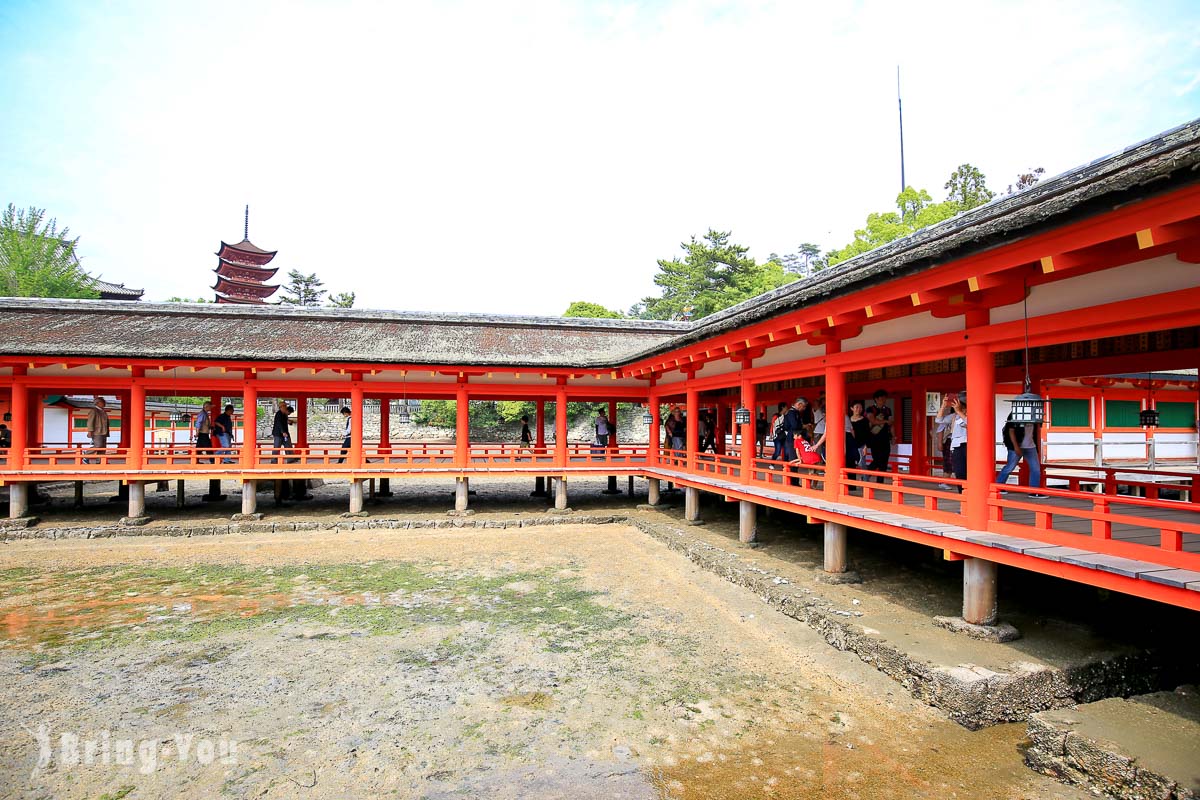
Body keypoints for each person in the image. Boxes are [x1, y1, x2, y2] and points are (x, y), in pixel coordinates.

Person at [997, 412, 1046, 497]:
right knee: (1010, 467)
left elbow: (1037, 428)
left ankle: (1033, 491)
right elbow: (1011, 431)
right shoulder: (1016, 413)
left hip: (1031, 446)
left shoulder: (1035, 414)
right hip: (1017, 445)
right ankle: (998, 486)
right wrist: (1016, 447)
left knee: (1036, 469)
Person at [935, 393, 968, 490]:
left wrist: (959, 411)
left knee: (969, 472)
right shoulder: (955, 416)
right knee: (959, 472)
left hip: (969, 444)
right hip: (956, 446)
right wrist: (943, 406)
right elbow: (939, 420)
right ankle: (962, 493)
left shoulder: (972, 413)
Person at [865, 389, 895, 481]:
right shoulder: (870, 409)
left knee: (885, 459)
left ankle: (880, 481)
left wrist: (894, 436)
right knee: (877, 459)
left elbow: (891, 424)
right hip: (874, 437)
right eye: (881, 398)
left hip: (885, 437)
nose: (884, 400)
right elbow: (873, 421)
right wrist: (886, 421)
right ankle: (866, 475)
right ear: (876, 399)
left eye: (885, 398)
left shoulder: (888, 410)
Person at [85, 396, 110, 463]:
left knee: (102, 447)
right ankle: (86, 454)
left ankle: (100, 461)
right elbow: (90, 421)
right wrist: (90, 431)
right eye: (103, 402)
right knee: (98, 445)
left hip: (104, 431)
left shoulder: (103, 411)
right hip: (97, 432)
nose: (104, 403)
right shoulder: (94, 411)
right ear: (98, 403)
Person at [849, 400, 870, 468]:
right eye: (857, 407)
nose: (859, 409)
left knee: (862, 465)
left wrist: (866, 446)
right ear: (852, 408)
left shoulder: (865, 420)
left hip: (861, 445)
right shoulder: (848, 420)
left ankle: (865, 478)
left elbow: (867, 433)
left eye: (860, 407)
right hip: (850, 446)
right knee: (850, 465)